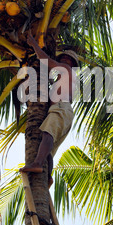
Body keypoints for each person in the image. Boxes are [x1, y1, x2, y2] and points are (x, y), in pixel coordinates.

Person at [20, 33, 79, 187]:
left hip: (61, 108)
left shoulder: (66, 70)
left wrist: (34, 43)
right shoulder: (63, 78)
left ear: (72, 63)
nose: (65, 60)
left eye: (68, 60)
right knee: (50, 150)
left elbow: (45, 61)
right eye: (64, 58)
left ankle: (38, 163)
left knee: (47, 134)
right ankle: (48, 177)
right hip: (63, 111)